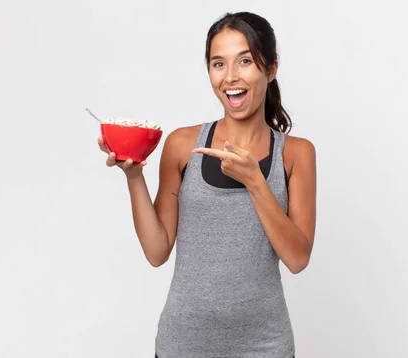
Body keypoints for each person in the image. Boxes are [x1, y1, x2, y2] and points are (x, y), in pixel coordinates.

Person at [97, 11, 316, 358]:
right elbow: (157, 252)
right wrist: (134, 176)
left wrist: (255, 182)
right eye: (218, 64)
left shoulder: (296, 154)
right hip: (183, 344)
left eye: (245, 61)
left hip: (266, 346)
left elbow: (297, 258)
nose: (230, 77)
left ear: (270, 69)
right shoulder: (182, 144)